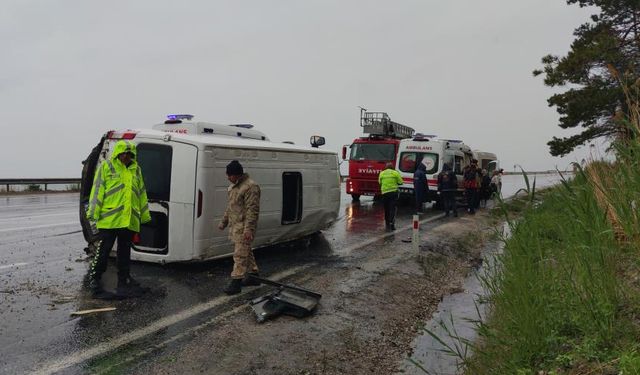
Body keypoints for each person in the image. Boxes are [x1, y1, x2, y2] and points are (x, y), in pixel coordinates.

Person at [87, 140, 151, 299]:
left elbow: (141, 194)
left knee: (124, 253)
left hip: (128, 221)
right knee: (103, 252)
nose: (126, 157)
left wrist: (144, 216)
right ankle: (94, 278)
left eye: (129, 155)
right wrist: (93, 213)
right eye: (123, 154)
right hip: (109, 220)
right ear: (117, 154)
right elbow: (97, 190)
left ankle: (124, 278)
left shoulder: (136, 170)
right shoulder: (106, 167)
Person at [218, 160, 261, 295]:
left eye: (230, 175)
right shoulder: (233, 188)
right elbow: (230, 207)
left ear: (237, 174)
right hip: (235, 227)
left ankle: (236, 282)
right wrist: (223, 222)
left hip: (244, 228)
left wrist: (248, 229)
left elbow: (252, 211)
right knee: (246, 252)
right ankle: (254, 275)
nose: (228, 177)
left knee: (239, 255)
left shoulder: (250, 187)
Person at [378, 162, 403, 230]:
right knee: (392, 208)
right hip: (393, 193)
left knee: (386, 208)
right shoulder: (395, 173)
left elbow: (380, 182)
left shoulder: (382, 173)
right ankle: (392, 222)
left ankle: (387, 222)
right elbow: (401, 182)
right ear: (392, 167)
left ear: (386, 167)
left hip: (384, 193)